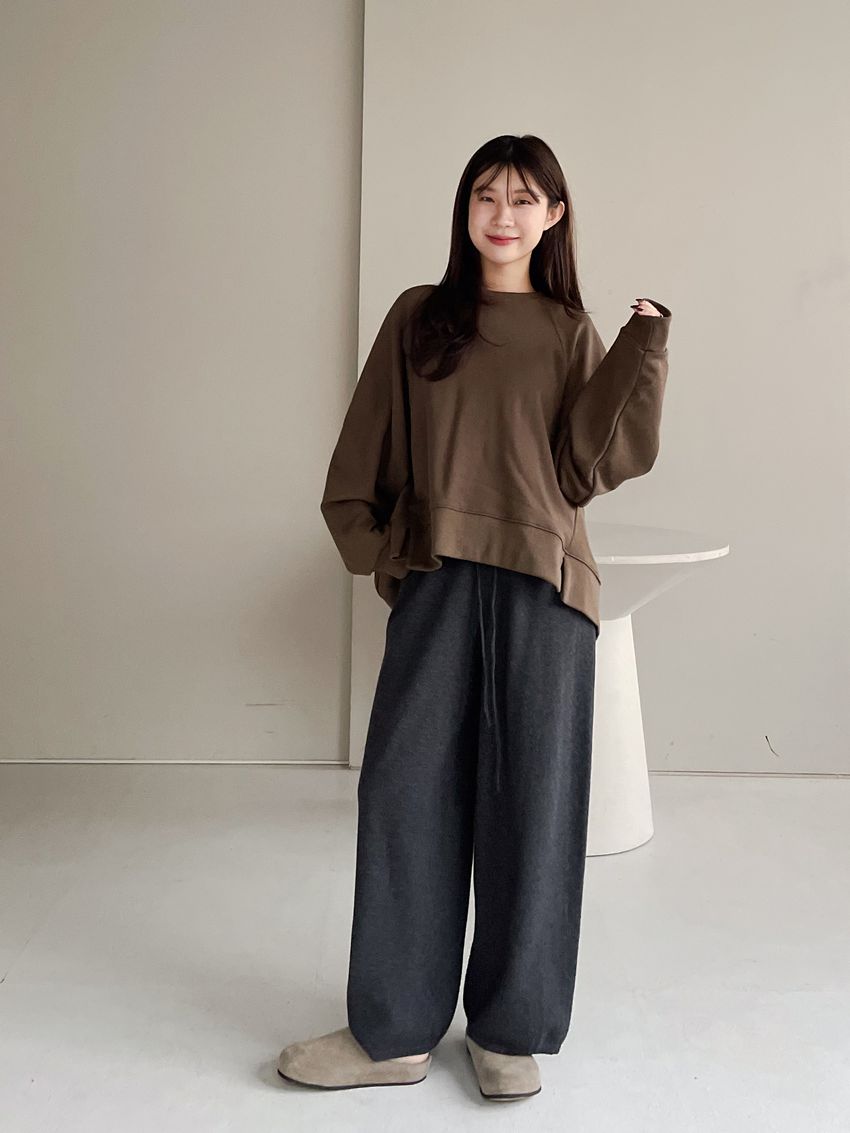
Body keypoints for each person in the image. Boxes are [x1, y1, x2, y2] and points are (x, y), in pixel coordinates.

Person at [278, 133, 672, 1101]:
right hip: (440, 579)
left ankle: (508, 1031)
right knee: (406, 795)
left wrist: (643, 349)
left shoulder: (569, 329)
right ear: (465, 210)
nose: (503, 214)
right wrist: (384, 552)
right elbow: (363, 451)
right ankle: (393, 1032)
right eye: (486, 195)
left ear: (554, 216)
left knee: (533, 809)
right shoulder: (420, 316)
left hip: (544, 588)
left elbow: (586, 467)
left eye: (524, 198)